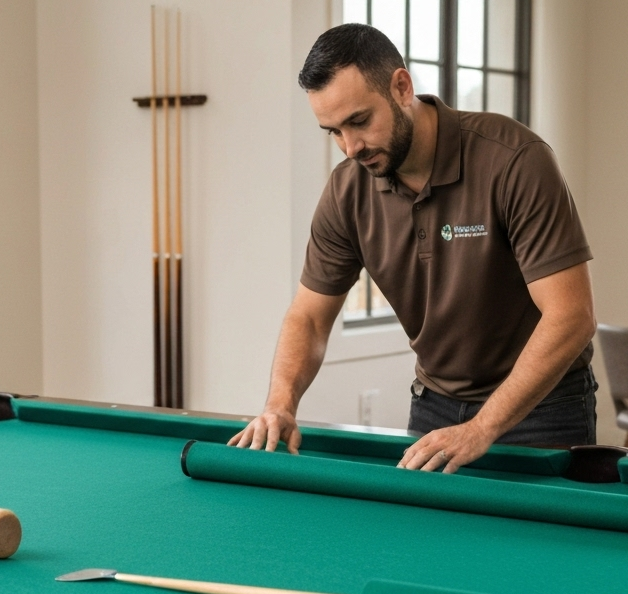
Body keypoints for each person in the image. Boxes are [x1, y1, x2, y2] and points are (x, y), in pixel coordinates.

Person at [229, 23, 597, 473]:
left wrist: (481, 428)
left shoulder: (514, 159)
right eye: (334, 132)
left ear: (402, 87)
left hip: (543, 409)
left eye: (359, 121)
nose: (351, 147)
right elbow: (308, 316)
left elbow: (571, 316)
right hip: (434, 407)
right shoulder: (347, 191)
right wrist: (280, 404)